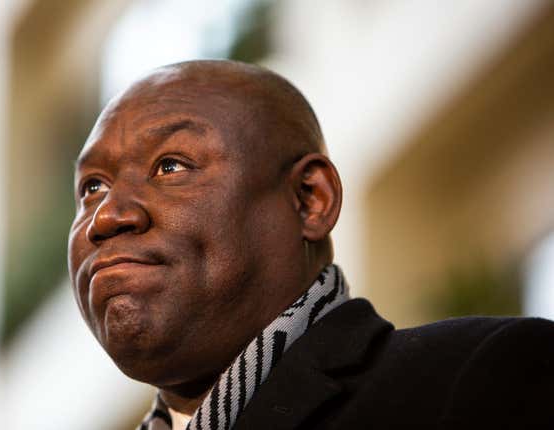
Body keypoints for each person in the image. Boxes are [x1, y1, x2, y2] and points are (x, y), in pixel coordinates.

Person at [67, 60, 554, 430]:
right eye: (93, 187)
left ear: (310, 200)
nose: (107, 215)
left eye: (171, 166)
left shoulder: (485, 379)